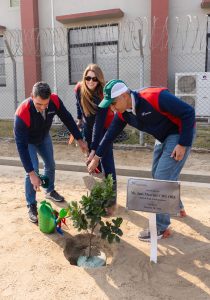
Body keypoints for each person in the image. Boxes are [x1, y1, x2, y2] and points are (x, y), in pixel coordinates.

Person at [87, 79, 196, 241]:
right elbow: (109, 135)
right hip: (163, 137)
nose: (112, 108)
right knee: (157, 173)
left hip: (179, 134)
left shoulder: (155, 97)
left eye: (113, 103)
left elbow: (188, 112)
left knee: (161, 178)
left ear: (124, 96)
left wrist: (183, 143)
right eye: (109, 105)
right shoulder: (123, 113)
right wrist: (96, 158)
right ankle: (176, 205)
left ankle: (160, 228)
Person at [14, 81, 88, 223]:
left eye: (45, 104)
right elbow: (21, 147)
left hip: (43, 137)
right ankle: (31, 204)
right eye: (39, 104)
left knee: (50, 164)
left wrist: (79, 139)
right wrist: (31, 174)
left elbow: (67, 118)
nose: (43, 108)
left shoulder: (54, 100)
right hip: (28, 141)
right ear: (32, 96)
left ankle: (49, 191)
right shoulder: (22, 114)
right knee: (33, 170)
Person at [74, 64, 116, 214]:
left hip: (104, 129)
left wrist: (94, 151)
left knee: (107, 163)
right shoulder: (79, 88)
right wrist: (79, 119)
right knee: (93, 167)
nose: (91, 81)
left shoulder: (103, 96)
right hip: (87, 128)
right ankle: (97, 197)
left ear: (99, 80)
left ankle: (111, 201)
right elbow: (78, 105)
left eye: (94, 79)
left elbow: (99, 125)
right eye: (88, 78)